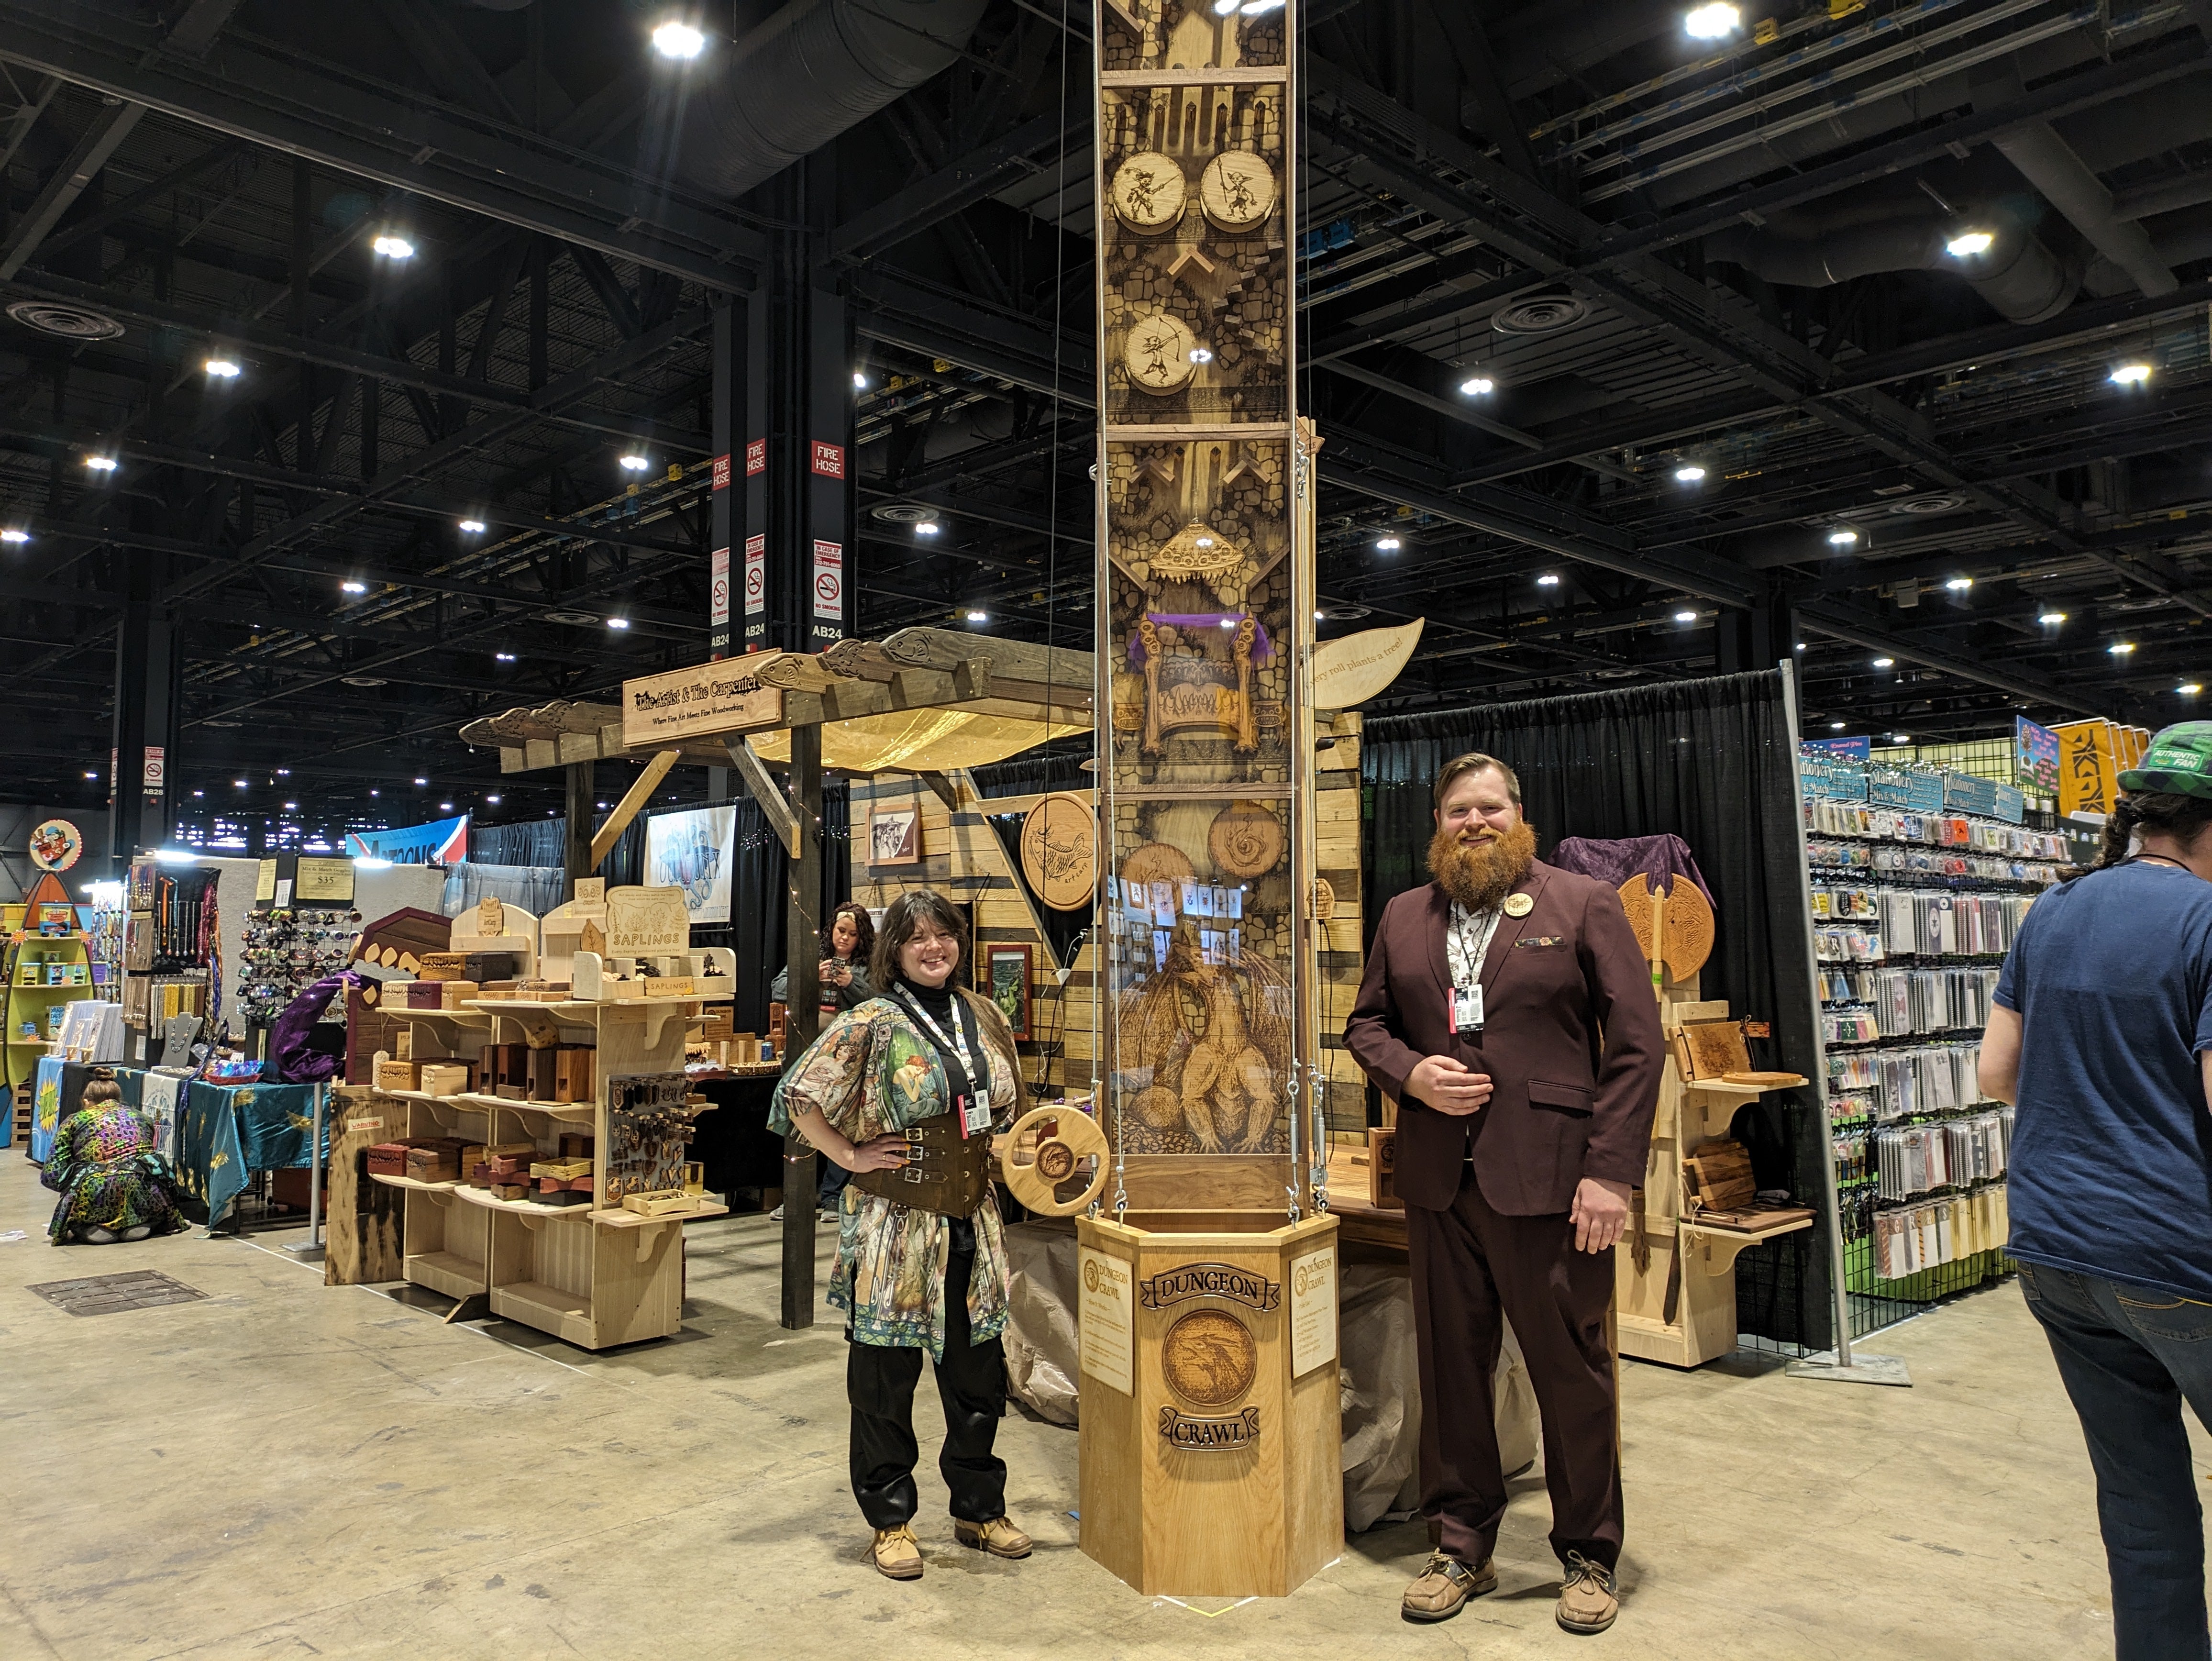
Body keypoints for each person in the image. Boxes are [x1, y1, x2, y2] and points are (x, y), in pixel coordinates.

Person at [1344, 751, 1663, 1635]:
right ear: (1436, 823)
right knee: (1450, 1372)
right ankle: (1460, 1543)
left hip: (1554, 1186)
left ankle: (1589, 1553)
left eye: (1488, 807)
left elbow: (1637, 1045)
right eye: (1457, 809)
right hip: (1440, 1185)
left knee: (1571, 1373)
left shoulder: (1581, 904)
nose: (1473, 822)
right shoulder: (1404, 916)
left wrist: (1608, 1172)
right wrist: (1410, 1075)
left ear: (1517, 816)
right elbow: (1363, 1025)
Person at [1979, 722, 2212, 1661]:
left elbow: (1996, 1070)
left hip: (2054, 1249)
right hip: (2175, 1250)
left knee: (2139, 1501)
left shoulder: (2053, 910)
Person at [769, 889, 1032, 1582]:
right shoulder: (875, 1022)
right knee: (885, 1381)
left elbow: (1003, 1110)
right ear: (894, 951)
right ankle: (891, 1521)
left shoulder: (985, 1015)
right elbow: (801, 1093)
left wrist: (1005, 1148)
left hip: (973, 1222)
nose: (932, 948)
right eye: (916, 938)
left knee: (977, 1379)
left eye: (942, 935)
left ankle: (979, 1510)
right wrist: (851, 1157)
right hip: (896, 1228)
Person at [770, 902, 876, 1220]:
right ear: (832, 931)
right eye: (841, 931)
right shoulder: (812, 957)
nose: (845, 938)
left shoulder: (867, 966)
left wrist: (850, 984)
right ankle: (798, 1196)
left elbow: (879, 1001)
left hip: (845, 1058)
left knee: (840, 1124)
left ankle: (832, 1196)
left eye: (853, 934)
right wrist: (810, 976)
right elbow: (777, 988)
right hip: (806, 1052)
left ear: (862, 937)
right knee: (801, 1121)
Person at [42, 1070, 185, 1246]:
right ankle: (141, 1223)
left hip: (95, 1189)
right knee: (142, 1181)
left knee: (85, 1197)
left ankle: (92, 1227)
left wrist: (72, 1183)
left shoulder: (74, 1121)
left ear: (86, 1102)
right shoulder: (142, 1117)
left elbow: (51, 1175)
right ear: (118, 1100)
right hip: (143, 1186)